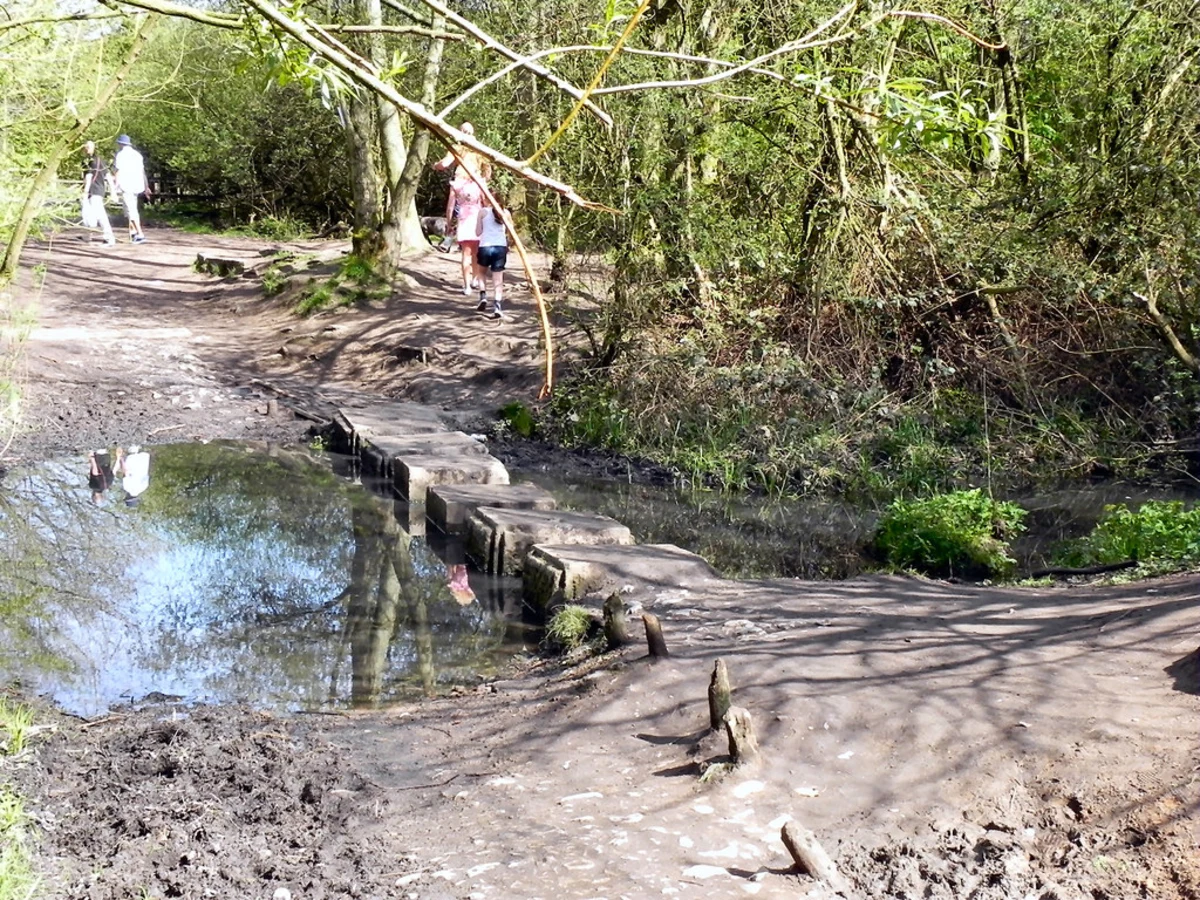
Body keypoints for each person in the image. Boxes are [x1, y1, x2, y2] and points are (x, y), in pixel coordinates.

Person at [446, 171, 486, 297]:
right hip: (477, 219)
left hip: (464, 220)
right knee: (476, 253)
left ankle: (467, 285)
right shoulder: (479, 182)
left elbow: (450, 207)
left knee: (465, 254)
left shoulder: (456, 185)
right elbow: (485, 201)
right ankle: (474, 279)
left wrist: (449, 223)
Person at [475, 189, 513, 320]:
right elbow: (511, 231)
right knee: (498, 278)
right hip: (500, 247)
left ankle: (483, 296)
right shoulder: (505, 213)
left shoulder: (482, 212)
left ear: (486, 199)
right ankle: (497, 306)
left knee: (481, 272)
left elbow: (478, 232)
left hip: (485, 246)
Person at [113, 135, 149, 244]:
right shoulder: (138, 155)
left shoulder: (121, 155)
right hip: (137, 185)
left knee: (131, 211)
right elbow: (142, 172)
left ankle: (140, 234)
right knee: (131, 209)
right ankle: (133, 233)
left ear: (120, 144)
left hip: (126, 185)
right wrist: (146, 186)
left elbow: (118, 171)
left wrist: (114, 186)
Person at [82, 141, 115, 246]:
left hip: (93, 191)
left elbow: (89, 177)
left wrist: (85, 192)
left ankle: (109, 238)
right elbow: (108, 176)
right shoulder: (101, 161)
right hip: (99, 190)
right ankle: (87, 236)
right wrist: (112, 191)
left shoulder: (90, 162)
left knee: (100, 215)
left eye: (87, 148)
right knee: (88, 214)